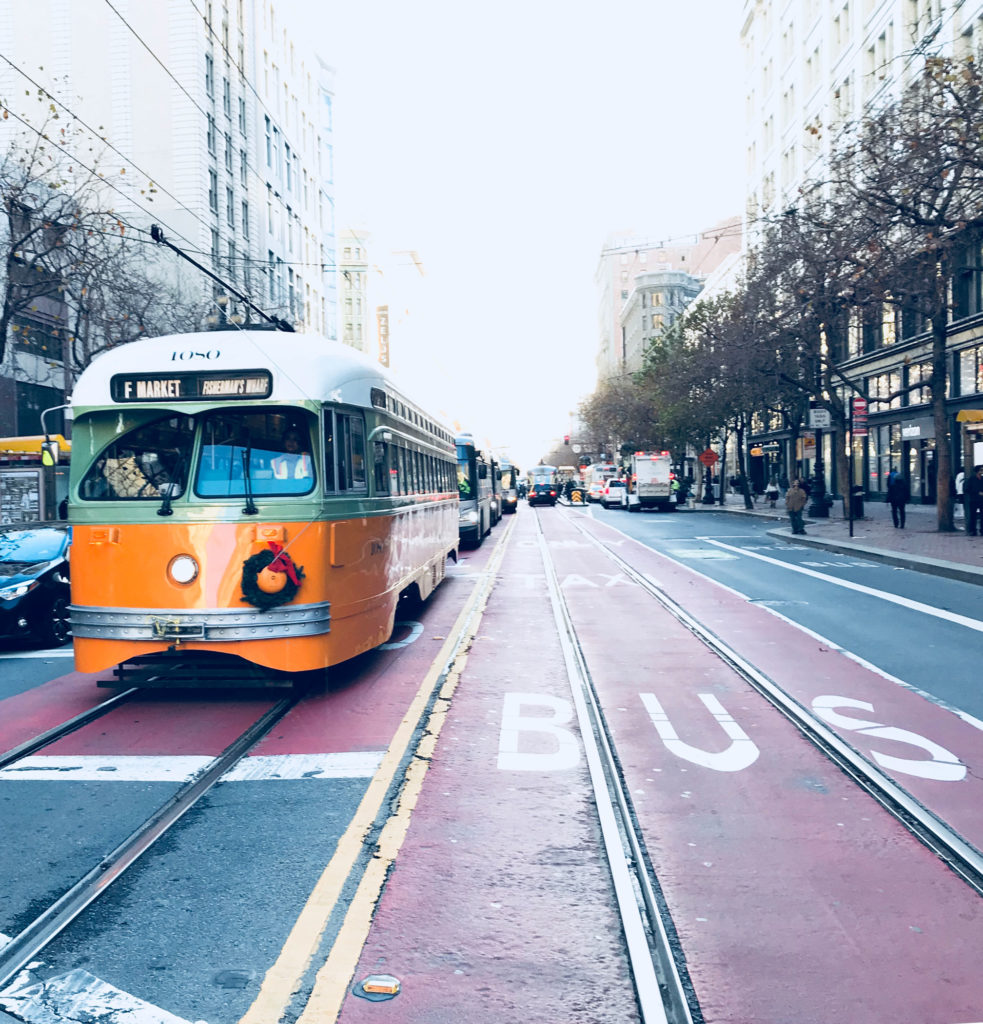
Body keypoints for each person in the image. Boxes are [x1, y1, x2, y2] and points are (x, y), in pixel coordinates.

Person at [965, 465, 983, 536]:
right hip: (974, 500)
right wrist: (977, 492)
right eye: (981, 470)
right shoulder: (971, 479)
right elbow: (967, 489)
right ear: (977, 471)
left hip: (981, 500)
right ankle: (972, 530)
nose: (982, 471)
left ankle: (982, 530)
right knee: (973, 516)